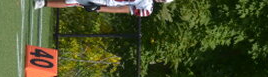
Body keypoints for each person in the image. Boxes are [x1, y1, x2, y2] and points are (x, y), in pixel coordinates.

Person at [34, 0, 174, 18]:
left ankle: (43, 3)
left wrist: (99, 8)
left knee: (74, 1)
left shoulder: (147, 8)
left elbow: (122, 9)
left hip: (106, 0)